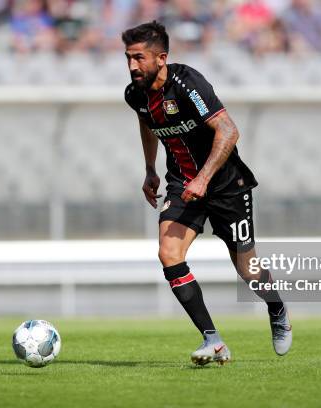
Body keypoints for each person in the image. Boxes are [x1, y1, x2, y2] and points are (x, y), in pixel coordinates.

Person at [122, 21, 292, 366]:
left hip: (227, 186)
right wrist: (150, 169)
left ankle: (276, 307)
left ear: (161, 58)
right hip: (182, 184)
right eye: (128, 58)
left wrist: (203, 178)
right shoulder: (135, 93)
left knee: (248, 271)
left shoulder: (187, 83)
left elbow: (229, 131)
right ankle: (213, 340)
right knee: (169, 253)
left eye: (139, 58)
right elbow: (146, 121)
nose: (132, 66)